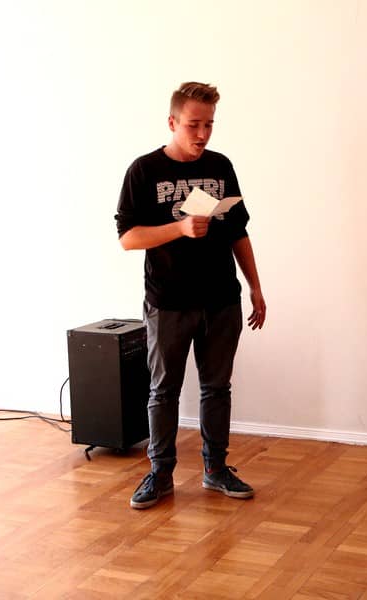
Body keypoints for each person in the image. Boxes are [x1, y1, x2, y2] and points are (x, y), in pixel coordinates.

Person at [116, 82, 266, 510]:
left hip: (221, 299)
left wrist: (255, 286)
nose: (202, 134)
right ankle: (160, 475)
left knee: (217, 388)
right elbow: (128, 238)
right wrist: (179, 228)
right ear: (172, 122)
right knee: (163, 390)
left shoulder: (221, 166)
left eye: (209, 125)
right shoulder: (144, 170)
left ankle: (216, 469)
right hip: (168, 302)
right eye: (193, 125)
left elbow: (237, 231)